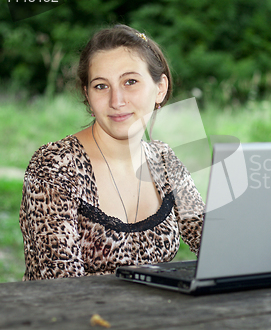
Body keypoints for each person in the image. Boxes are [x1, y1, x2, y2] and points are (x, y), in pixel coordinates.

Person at [19, 24, 205, 280]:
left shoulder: (164, 160)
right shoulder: (55, 165)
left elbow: (214, 244)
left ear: (160, 88)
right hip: (82, 317)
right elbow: (59, 288)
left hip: (160, 315)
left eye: (130, 82)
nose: (117, 101)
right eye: (101, 86)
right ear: (87, 95)